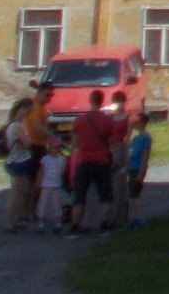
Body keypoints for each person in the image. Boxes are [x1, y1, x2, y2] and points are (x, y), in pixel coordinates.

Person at [65, 89, 115, 235]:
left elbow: (74, 143)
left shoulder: (80, 120)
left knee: (79, 195)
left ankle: (75, 226)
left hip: (84, 160)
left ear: (90, 100)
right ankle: (105, 225)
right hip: (102, 160)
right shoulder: (107, 120)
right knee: (105, 195)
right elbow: (111, 142)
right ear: (102, 101)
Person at [0, 98, 38, 232]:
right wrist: (29, 139)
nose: (30, 112)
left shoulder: (12, 124)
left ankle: (15, 220)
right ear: (24, 109)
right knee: (16, 193)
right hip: (17, 161)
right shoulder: (17, 126)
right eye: (30, 110)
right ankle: (10, 222)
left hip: (16, 160)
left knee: (22, 191)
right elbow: (27, 144)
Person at [106, 90, 132, 229]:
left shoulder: (127, 117)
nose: (119, 104)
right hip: (110, 149)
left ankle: (120, 217)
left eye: (121, 101)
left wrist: (127, 155)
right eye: (117, 101)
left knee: (119, 184)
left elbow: (128, 138)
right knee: (108, 184)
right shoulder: (109, 117)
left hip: (120, 149)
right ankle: (108, 216)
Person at [122, 113, 152, 227]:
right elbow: (127, 147)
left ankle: (139, 217)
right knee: (133, 194)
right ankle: (137, 217)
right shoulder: (136, 137)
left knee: (135, 194)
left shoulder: (145, 137)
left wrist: (141, 171)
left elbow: (145, 156)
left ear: (143, 123)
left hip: (138, 167)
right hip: (132, 166)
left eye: (137, 121)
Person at [33, 138, 67, 231]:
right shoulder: (45, 159)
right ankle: (41, 221)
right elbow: (41, 171)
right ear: (50, 147)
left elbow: (63, 172)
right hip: (46, 185)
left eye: (58, 147)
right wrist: (38, 182)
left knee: (56, 203)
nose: (57, 149)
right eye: (55, 147)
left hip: (56, 185)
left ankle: (58, 221)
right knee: (43, 203)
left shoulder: (62, 159)